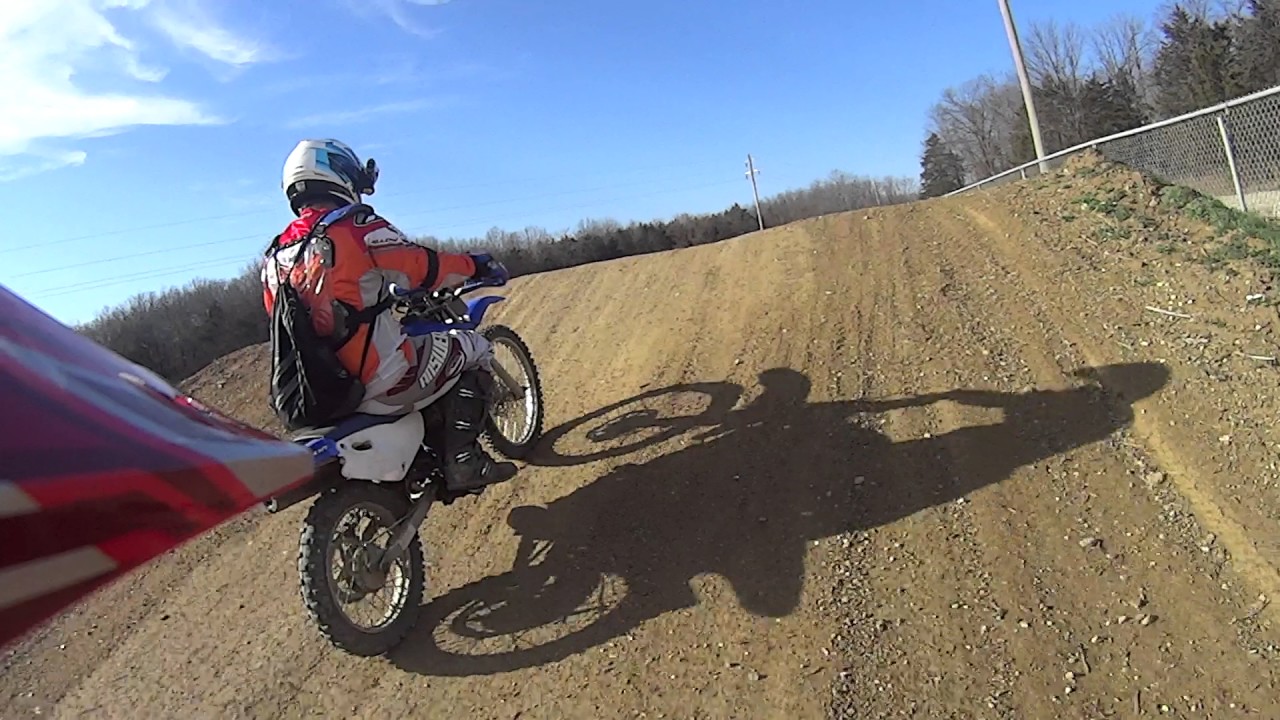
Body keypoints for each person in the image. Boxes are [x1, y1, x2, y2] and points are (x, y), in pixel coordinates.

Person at [260, 139, 517, 492]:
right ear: (339, 173)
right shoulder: (356, 225)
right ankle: (463, 461)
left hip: (313, 393)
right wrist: (475, 265)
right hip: (379, 379)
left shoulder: (275, 255)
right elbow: (421, 267)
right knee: (473, 347)